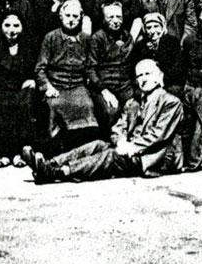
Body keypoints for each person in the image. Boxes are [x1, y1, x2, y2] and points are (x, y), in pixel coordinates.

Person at [22, 59, 183, 183]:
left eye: (148, 74)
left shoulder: (170, 102)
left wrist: (130, 147)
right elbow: (118, 127)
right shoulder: (133, 103)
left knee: (111, 156)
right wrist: (120, 141)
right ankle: (49, 164)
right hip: (129, 150)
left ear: (159, 77)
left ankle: (60, 172)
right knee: (98, 144)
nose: (144, 79)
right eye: (140, 75)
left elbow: (158, 135)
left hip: (154, 157)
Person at [35, 0, 100, 154]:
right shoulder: (51, 37)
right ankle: (55, 150)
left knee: (86, 106)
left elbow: (90, 67)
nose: (71, 20)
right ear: (61, 16)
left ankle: (82, 150)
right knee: (54, 105)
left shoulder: (86, 39)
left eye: (75, 16)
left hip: (77, 85)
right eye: (68, 15)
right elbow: (40, 68)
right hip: (56, 85)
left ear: (81, 18)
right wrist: (47, 87)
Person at [0, 11, 36, 167]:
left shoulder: (29, 45)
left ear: (23, 27)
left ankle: (18, 153)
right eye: (7, 25)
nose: (12, 30)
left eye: (16, 26)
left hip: (21, 90)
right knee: (0, 106)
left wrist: (32, 79)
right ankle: (4, 153)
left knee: (23, 104)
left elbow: (37, 69)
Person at [87, 2, 137, 132]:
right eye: (111, 17)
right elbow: (90, 69)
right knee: (111, 112)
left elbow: (132, 65)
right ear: (104, 19)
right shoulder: (97, 38)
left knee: (135, 108)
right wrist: (105, 92)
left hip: (124, 85)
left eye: (118, 17)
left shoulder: (127, 37)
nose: (115, 21)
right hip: (104, 86)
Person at [133, 13, 186, 97]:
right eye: (149, 27)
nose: (153, 31)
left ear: (162, 27)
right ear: (145, 30)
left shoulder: (172, 42)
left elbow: (177, 69)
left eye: (156, 26)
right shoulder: (141, 45)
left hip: (168, 83)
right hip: (147, 84)